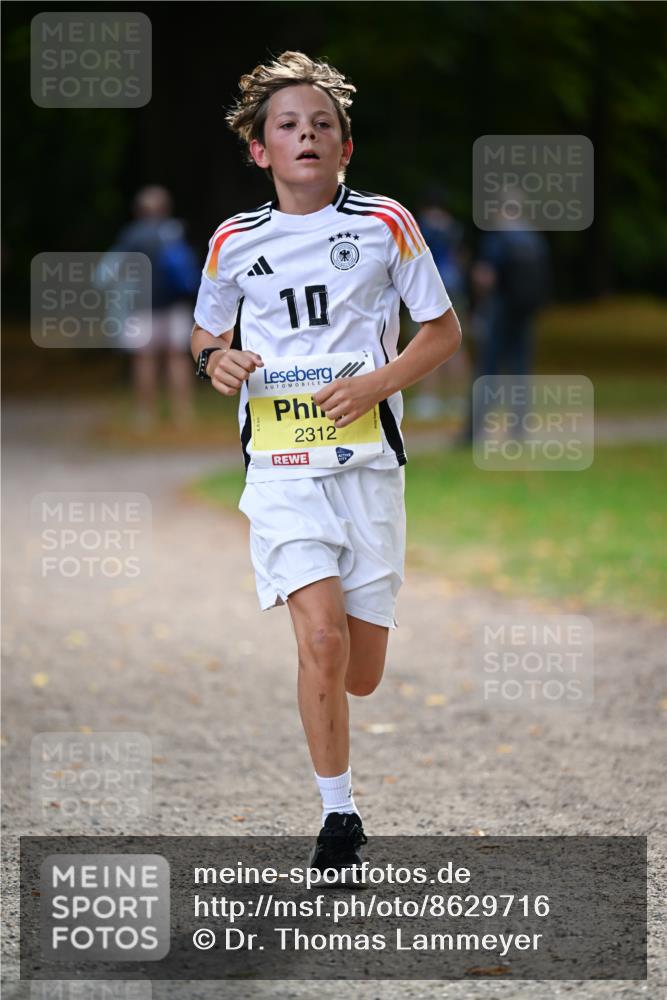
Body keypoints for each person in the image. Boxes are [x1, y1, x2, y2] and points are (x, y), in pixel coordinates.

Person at [191, 52, 461, 874]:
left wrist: (375, 383)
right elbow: (206, 335)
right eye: (287, 125)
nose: (305, 134)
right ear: (258, 150)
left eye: (322, 125)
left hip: (369, 468)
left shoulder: (384, 223)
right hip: (279, 469)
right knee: (321, 638)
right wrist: (214, 362)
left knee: (362, 671)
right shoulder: (233, 240)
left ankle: (331, 681)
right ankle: (337, 816)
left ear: (345, 148)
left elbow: (443, 332)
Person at [461, 196, 552, 443]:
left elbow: (485, 277)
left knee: (487, 371)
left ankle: (473, 431)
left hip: (499, 311)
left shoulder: (498, 238)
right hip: (524, 313)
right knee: (520, 370)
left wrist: (478, 304)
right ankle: (519, 429)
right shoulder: (535, 238)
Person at [110, 185, 200, 430]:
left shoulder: (132, 235)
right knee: (178, 358)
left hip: (142, 306)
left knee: (144, 360)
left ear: (139, 210)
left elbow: (113, 270)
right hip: (176, 304)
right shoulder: (176, 230)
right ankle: (184, 413)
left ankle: (145, 414)